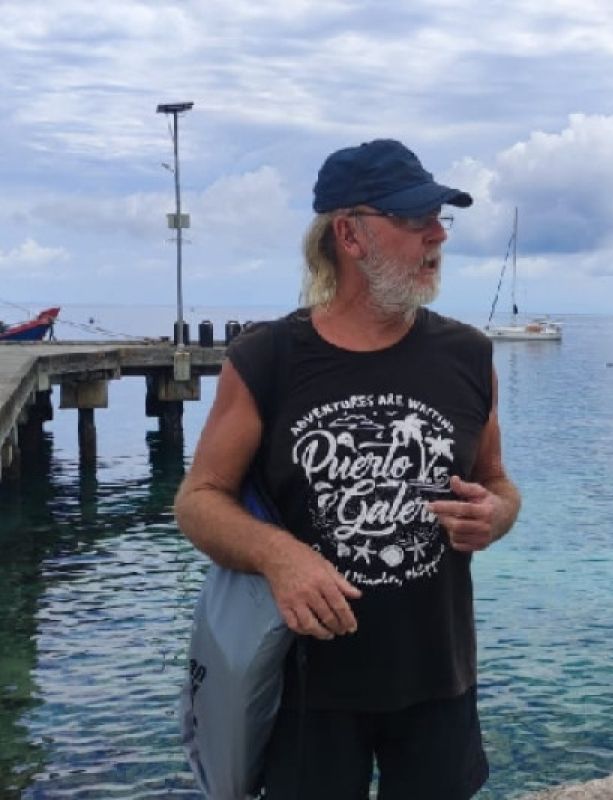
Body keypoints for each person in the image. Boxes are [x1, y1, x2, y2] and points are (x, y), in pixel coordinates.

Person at [175, 138, 521, 799]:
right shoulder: (268, 359)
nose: (437, 235)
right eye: (415, 220)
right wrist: (278, 555)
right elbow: (199, 499)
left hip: (438, 678)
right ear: (349, 234)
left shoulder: (469, 356)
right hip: (306, 689)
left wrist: (496, 512)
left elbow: (499, 484)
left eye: (440, 219)